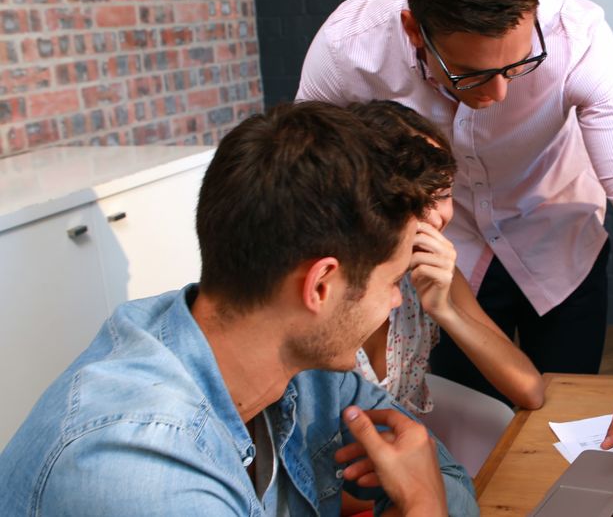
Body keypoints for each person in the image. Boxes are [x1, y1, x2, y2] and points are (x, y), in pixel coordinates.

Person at [297, 0, 613, 477]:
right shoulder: (348, 49)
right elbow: (303, 181)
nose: (499, 92)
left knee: (563, 421)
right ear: (414, 30)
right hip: (448, 250)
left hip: (559, 241)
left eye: (519, 65)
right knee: (469, 423)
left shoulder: (577, 37)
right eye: (469, 75)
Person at [0, 101, 478, 516]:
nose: (397, 300)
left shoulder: (306, 370)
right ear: (320, 286)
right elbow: (433, 492)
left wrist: (430, 488)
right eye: (392, 282)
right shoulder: (137, 468)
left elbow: (450, 478)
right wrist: (421, 504)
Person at [346, 100, 544, 415]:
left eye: (443, 195)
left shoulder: (430, 269)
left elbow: (530, 390)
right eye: (414, 199)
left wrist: (444, 310)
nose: (436, 218)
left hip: (405, 451)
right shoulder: (327, 285)